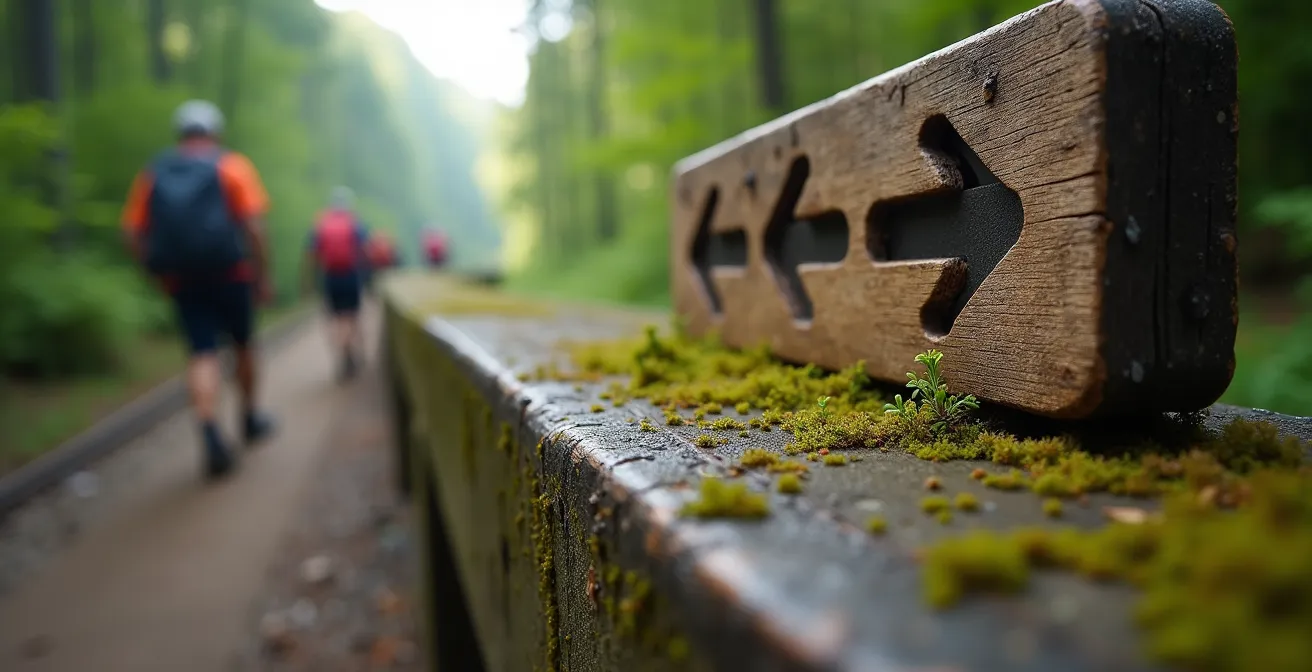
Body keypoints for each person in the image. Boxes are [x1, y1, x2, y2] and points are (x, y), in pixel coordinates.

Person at [121, 100, 276, 479]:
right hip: (232, 274)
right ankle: (250, 417)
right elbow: (254, 227)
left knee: (201, 352)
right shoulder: (231, 166)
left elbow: (130, 232)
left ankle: (209, 429)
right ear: (214, 132)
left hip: (183, 280)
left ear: (181, 134)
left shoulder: (154, 173)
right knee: (243, 345)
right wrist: (262, 274)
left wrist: (154, 271)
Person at [305, 186, 370, 381]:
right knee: (350, 317)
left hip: (330, 277)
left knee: (336, 318)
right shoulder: (354, 224)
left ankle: (344, 354)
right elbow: (365, 250)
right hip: (350, 275)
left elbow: (312, 255)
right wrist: (367, 276)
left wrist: (309, 281)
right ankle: (349, 353)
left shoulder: (321, 224)